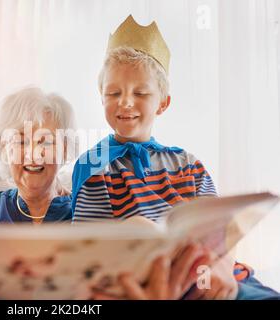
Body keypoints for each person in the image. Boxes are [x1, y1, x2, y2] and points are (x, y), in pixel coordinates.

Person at [71, 15, 279, 300]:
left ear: (163, 103)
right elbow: (87, 251)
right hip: (149, 286)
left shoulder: (189, 164)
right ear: (101, 97)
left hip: (211, 279)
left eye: (141, 92)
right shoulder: (93, 163)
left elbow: (218, 238)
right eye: (113, 92)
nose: (125, 101)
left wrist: (219, 270)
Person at [0, 87, 75, 235]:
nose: (34, 154)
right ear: (4, 149)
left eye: (46, 141)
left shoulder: (83, 211)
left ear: (65, 149)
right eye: (21, 141)